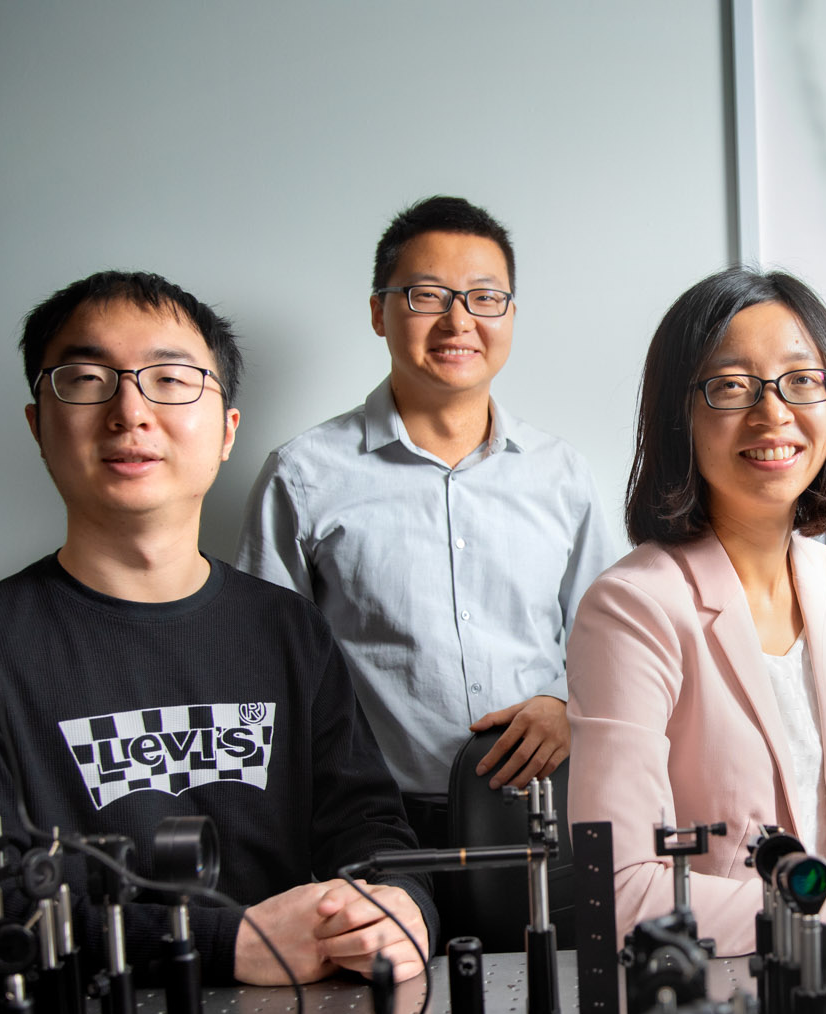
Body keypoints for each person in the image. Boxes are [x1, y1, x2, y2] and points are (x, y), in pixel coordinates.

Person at [0, 271, 435, 987]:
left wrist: (402, 907)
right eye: (87, 378)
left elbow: (369, 830)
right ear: (37, 426)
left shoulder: (287, 628)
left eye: (171, 379)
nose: (129, 410)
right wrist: (226, 941)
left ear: (226, 433)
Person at [236, 196, 612, 850]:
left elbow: (607, 640)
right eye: (427, 295)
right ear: (379, 312)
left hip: (544, 809)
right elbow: (261, 671)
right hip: (370, 821)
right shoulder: (304, 475)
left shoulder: (563, 476)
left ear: (511, 316)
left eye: (484, 297)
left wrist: (567, 707)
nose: (458, 320)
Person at [568, 269, 826, 950]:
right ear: (678, 411)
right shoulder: (634, 607)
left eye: (802, 379)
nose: (773, 413)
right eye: (732, 385)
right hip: (715, 992)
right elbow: (621, 892)